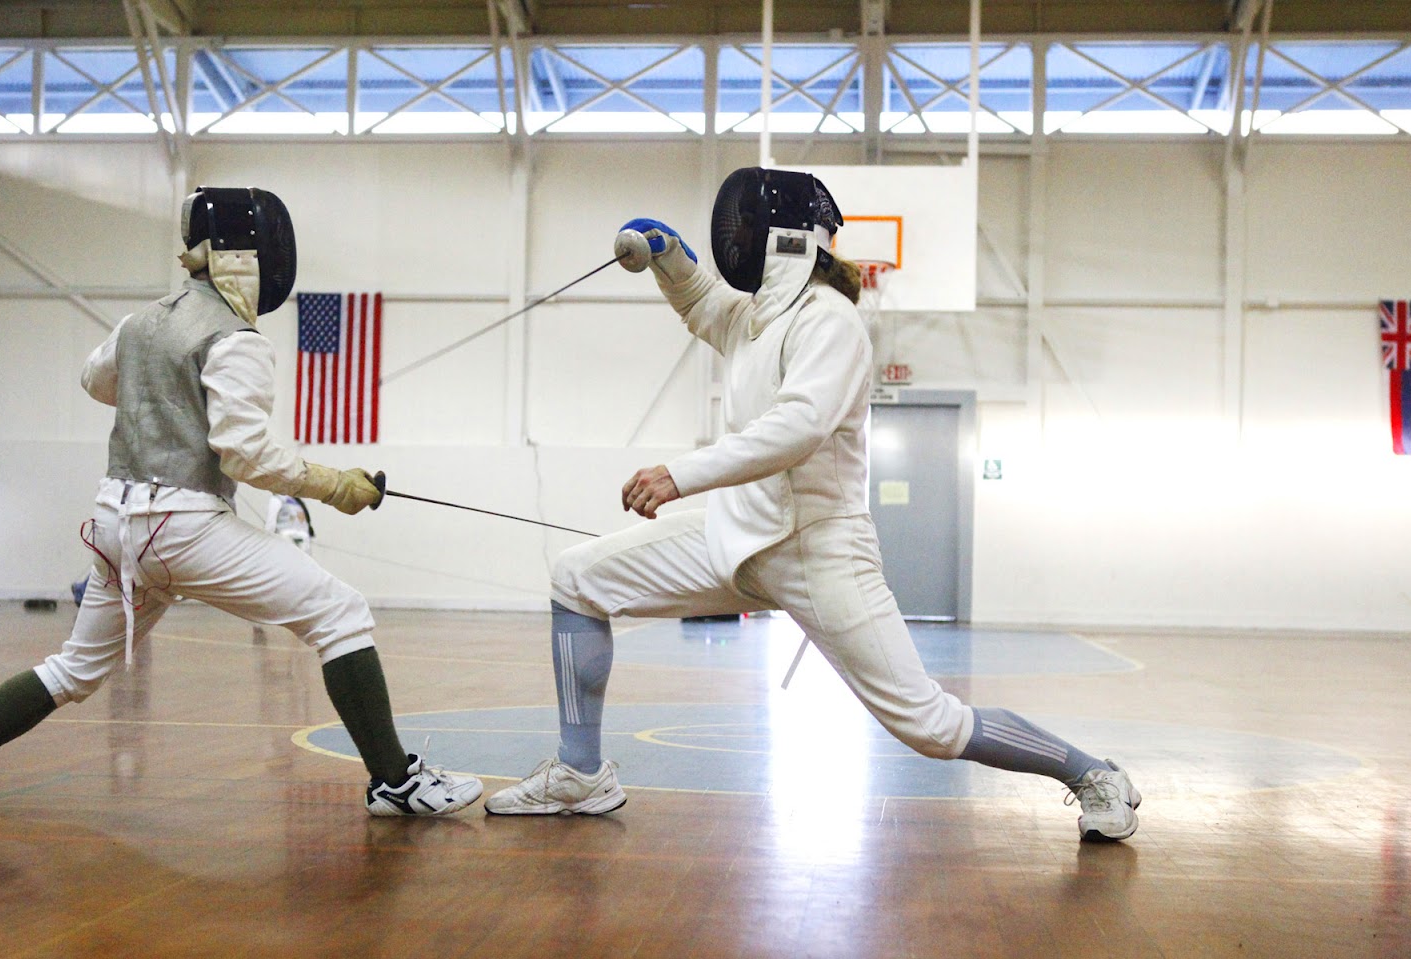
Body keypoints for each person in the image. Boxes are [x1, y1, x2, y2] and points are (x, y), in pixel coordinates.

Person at [484, 167, 1143, 841]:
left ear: (783, 237)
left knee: (931, 725)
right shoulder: (755, 317)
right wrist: (668, 254)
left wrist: (679, 474)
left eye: (745, 227)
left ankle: (1093, 773)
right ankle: (582, 771)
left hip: (821, 552)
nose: (735, 238)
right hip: (733, 541)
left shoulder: (831, 323)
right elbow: (701, 303)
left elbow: (796, 427)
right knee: (577, 578)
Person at [0, 186, 482, 818]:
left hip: (115, 524)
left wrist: (164, 398)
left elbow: (96, 381)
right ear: (249, 254)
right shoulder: (237, 340)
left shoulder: (139, 323)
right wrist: (337, 485)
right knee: (340, 613)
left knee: (71, 671)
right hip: (183, 528)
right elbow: (244, 455)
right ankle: (395, 781)